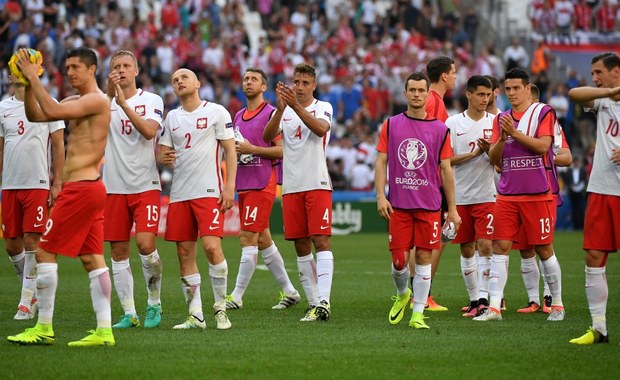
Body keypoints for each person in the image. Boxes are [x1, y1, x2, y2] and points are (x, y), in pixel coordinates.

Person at [8, 47, 114, 346]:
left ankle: (43, 328)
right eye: (67, 67)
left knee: (42, 251)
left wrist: (31, 76)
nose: (69, 72)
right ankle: (104, 332)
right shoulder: (73, 101)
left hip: (80, 189)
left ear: (92, 70)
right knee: (92, 258)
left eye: (76, 67)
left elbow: (52, 112)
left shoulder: (96, 100)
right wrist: (29, 87)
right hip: (88, 188)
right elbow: (36, 114)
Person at [474, 67, 564, 322]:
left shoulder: (543, 112)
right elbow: (493, 158)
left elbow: (543, 147)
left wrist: (514, 133)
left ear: (527, 88)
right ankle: (493, 307)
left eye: (517, 88)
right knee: (500, 247)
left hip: (537, 193)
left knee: (544, 249)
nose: (512, 93)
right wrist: (502, 139)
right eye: (508, 89)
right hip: (507, 194)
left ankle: (557, 304)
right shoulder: (500, 118)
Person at [376, 71, 460, 330]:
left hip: (429, 205)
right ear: (405, 93)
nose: (416, 94)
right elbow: (381, 161)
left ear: (427, 94)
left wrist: (453, 209)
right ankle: (403, 294)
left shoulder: (440, 129)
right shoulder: (391, 125)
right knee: (399, 261)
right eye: (411, 90)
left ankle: (418, 314)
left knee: (424, 257)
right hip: (399, 205)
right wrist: (380, 195)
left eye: (420, 90)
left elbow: (446, 170)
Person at [157, 68, 237, 330]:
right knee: (184, 253)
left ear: (198, 83)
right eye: (175, 80)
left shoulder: (216, 111)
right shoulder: (172, 118)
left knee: (212, 248)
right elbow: (163, 153)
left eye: (184, 78)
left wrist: (229, 187)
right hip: (179, 194)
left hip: (209, 191)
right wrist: (162, 157)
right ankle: (196, 315)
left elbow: (230, 150)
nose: (179, 81)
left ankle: (220, 309)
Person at [225, 68, 301, 310]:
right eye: (246, 78)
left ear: (263, 87)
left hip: (262, 182)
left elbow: (282, 150)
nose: (248, 82)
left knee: (247, 237)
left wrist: (253, 150)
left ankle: (236, 296)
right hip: (244, 184)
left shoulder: (272, 113)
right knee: (263, 240)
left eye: (254, 79)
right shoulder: (237, 116)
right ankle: (290, 291)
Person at [263, 63, 334, 322]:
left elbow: (320, 129)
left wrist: (294, 106)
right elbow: (267, 135)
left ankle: (324, 301)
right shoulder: (287, 111)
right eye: (296, 82)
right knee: (301, 245)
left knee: (321, 240)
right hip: (291, 186)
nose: (300, 87)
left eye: (305, 83)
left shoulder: (323, 107)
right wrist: (281, 109)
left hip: (317, 183)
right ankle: (314, 303)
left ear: (314, 85)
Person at [103, 50, 164, 329]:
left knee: (145, 244)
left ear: (136, 71)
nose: (122, 70)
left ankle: (154, 304)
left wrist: (123, 104)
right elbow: (89, 130)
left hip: (145, 185)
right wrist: (107, 97)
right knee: (117, 251)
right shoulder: (104, 104)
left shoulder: (151, 100)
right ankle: (129, 312)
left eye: (127, 65)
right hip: (114, 187)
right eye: (116, 66)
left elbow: (150, 132)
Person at [0, 74, 64, 320]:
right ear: (9, 74)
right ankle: (34, 291)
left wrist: (57, 182)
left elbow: (58, 145)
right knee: (11, 245)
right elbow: (1, 147)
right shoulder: (3, 107)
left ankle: (26, 302)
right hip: (10, 185)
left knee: (31, 242)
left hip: (36, 183)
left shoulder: (48, 103)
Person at [568, 52, 620, 344]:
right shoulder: (603, 98)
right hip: (601, 188)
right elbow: (575, 94)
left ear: (616, 71)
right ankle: (599, 327)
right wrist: (610, 91)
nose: (594, 78)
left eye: (599, 72)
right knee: (594, 256)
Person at [513, 83, 571, 315]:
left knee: (543, 245)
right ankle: (532, 300)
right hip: (519, 192)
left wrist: (541, 154)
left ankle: (549, 297)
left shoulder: (550, 126)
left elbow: (566, 156)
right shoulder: (511, 122)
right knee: (525, 249)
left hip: (545, 192)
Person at [445, 76, 495, 317]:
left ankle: (485, 298)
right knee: (466, 248)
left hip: (488, 194)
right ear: (469, 94)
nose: (485, 99)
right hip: (461, 196)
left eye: (488, 95)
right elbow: (444, 161)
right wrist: (474, 154)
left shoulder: (496, 122)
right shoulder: (452, 123)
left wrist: (492, 153)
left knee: (485, 245)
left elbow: (502, 163)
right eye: (481, 94)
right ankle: (474, 300)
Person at [414, 55, 457, 311]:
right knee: (435, 239)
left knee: (428, 239)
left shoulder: (433, 101)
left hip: (421, 179)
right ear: (444, 76)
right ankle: (423, 295)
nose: (455, 77)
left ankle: (417, 292)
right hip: (428, 181)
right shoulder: (434, 101)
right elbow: (427, 142)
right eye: (454, 73)